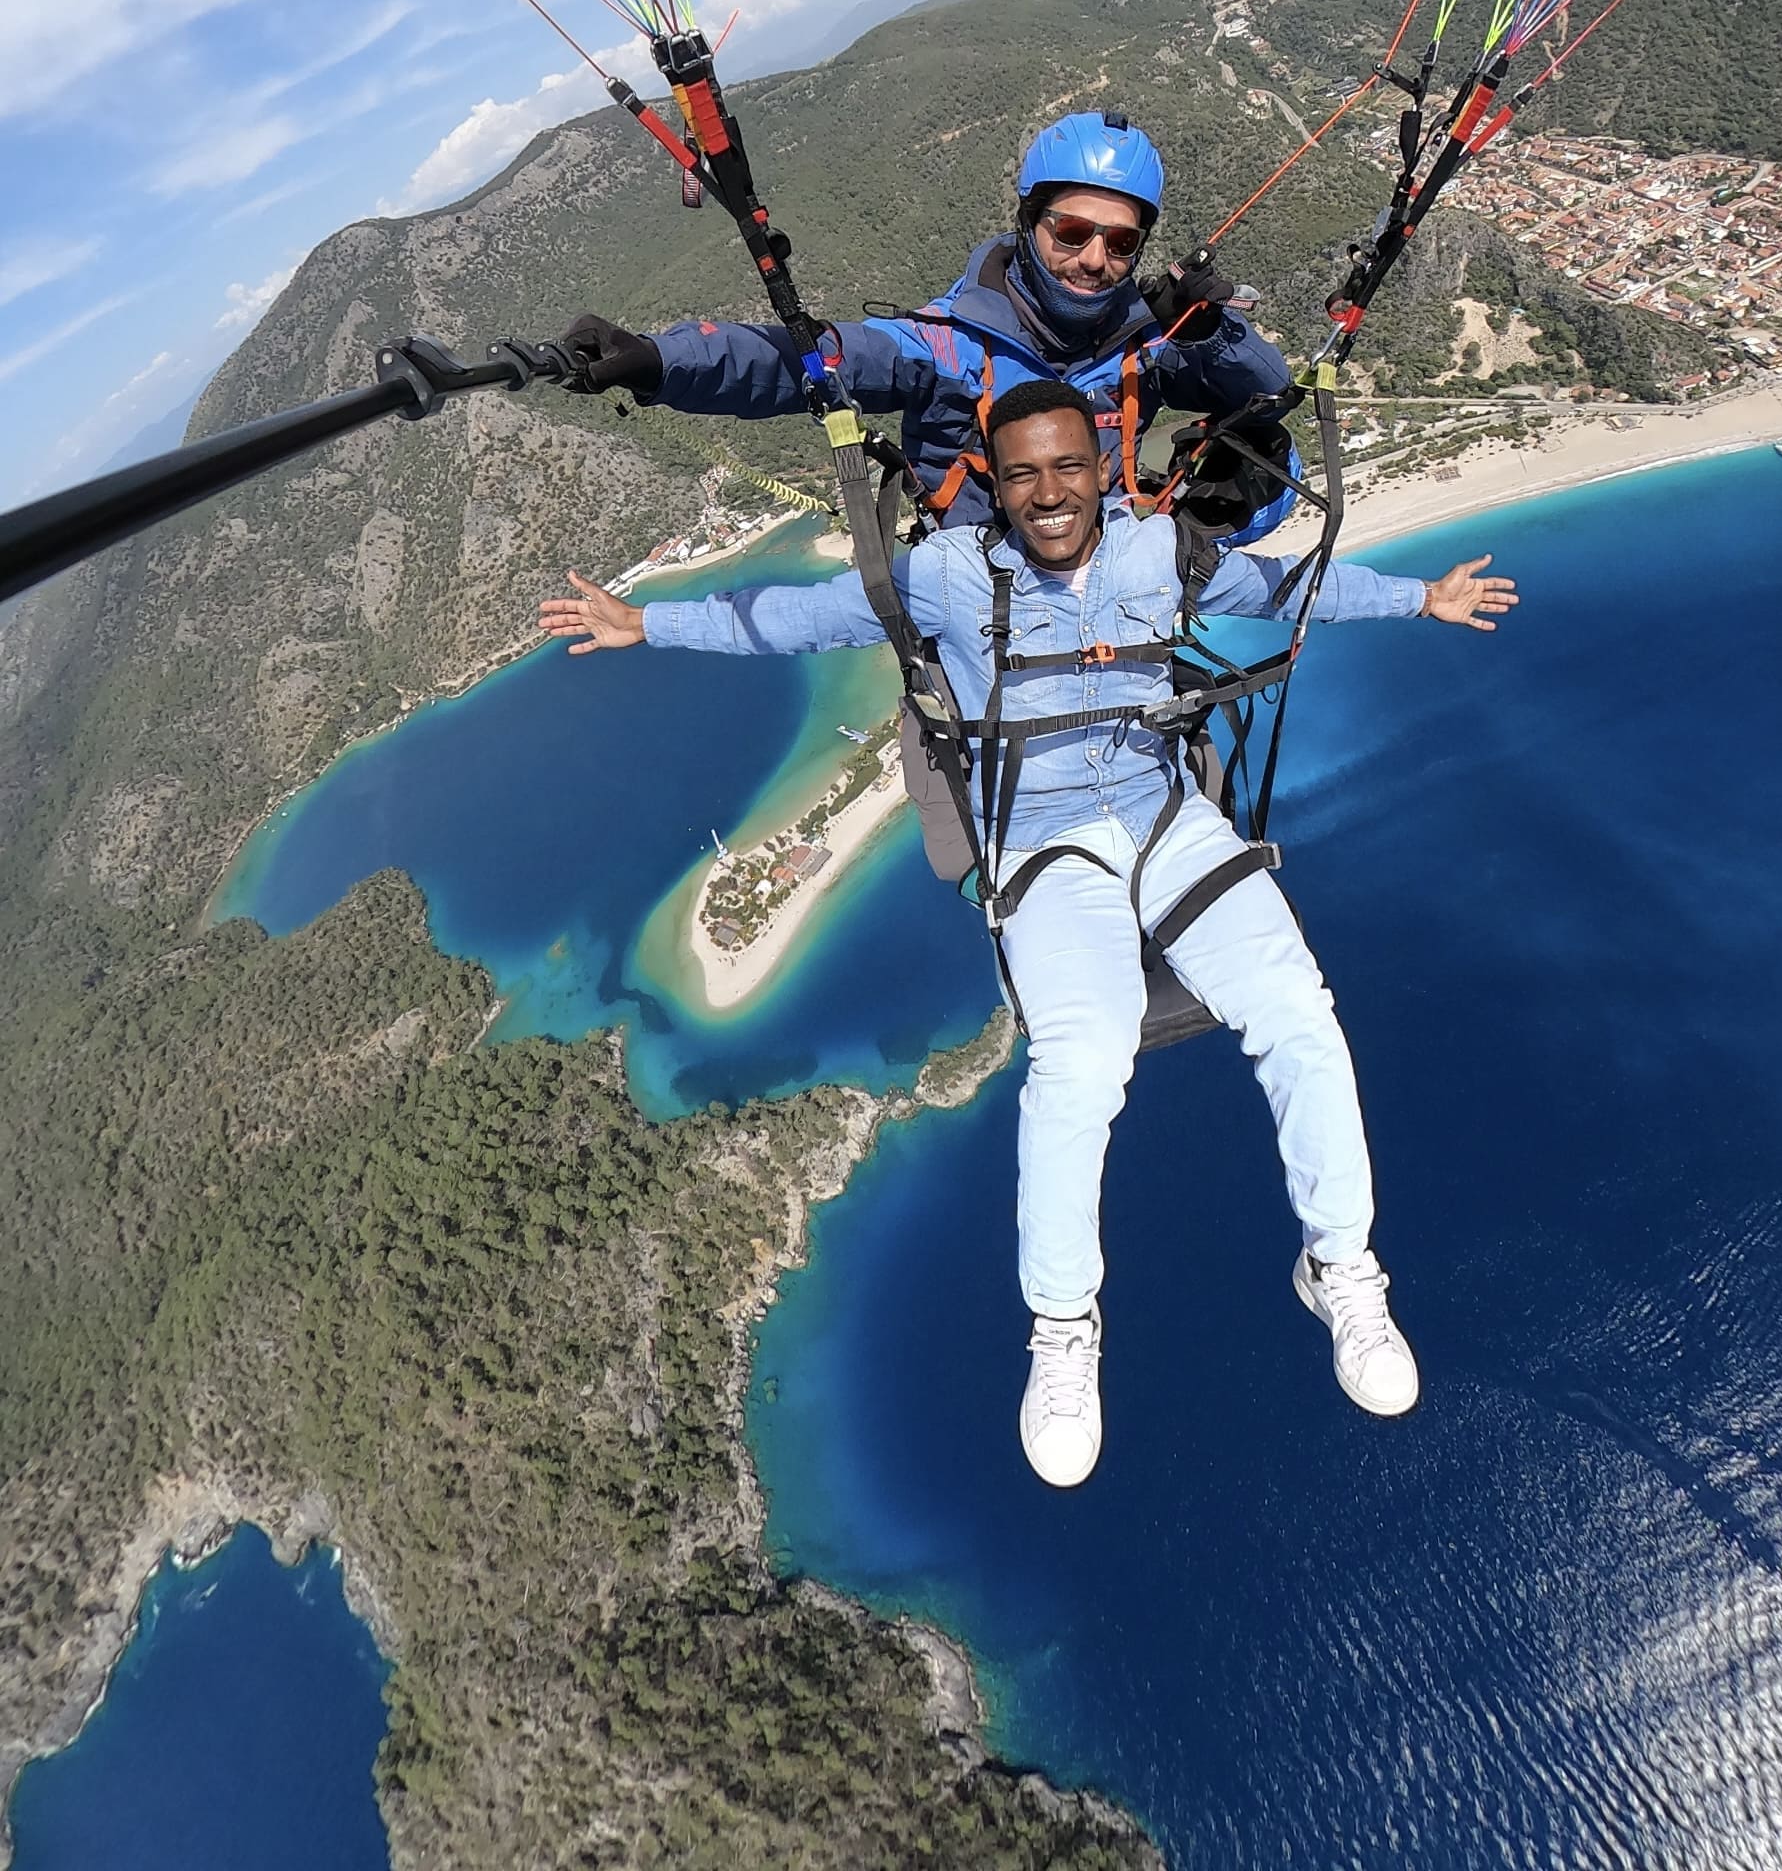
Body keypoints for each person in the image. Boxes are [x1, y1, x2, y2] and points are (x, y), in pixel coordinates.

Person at [538, 382, 1518, 1488]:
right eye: (1021, 475)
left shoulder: (1163, 555)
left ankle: (1341, 1266)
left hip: (1164, 815)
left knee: (1301, 1011)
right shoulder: (951, 577)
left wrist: (1416, 598)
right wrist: (648, 623)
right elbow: (798, 616)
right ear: (993, 489)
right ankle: (1061, 1331)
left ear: (1103, 464)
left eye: (1066, 467)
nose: (1048, 493)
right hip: (1045, 847)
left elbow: (1290, 588)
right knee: (1080, 1060)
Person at [551, 108, 1292, 525]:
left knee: (1275, 466)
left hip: (1110, 582)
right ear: (1028, 225)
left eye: (1121, 242)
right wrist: (657, 362)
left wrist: (1209, 331)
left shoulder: (1141, 338)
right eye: (1072, 233)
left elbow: (1268, 395)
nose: (1095, 260)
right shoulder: (946, 347)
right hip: (988, 601)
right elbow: (811, 362)